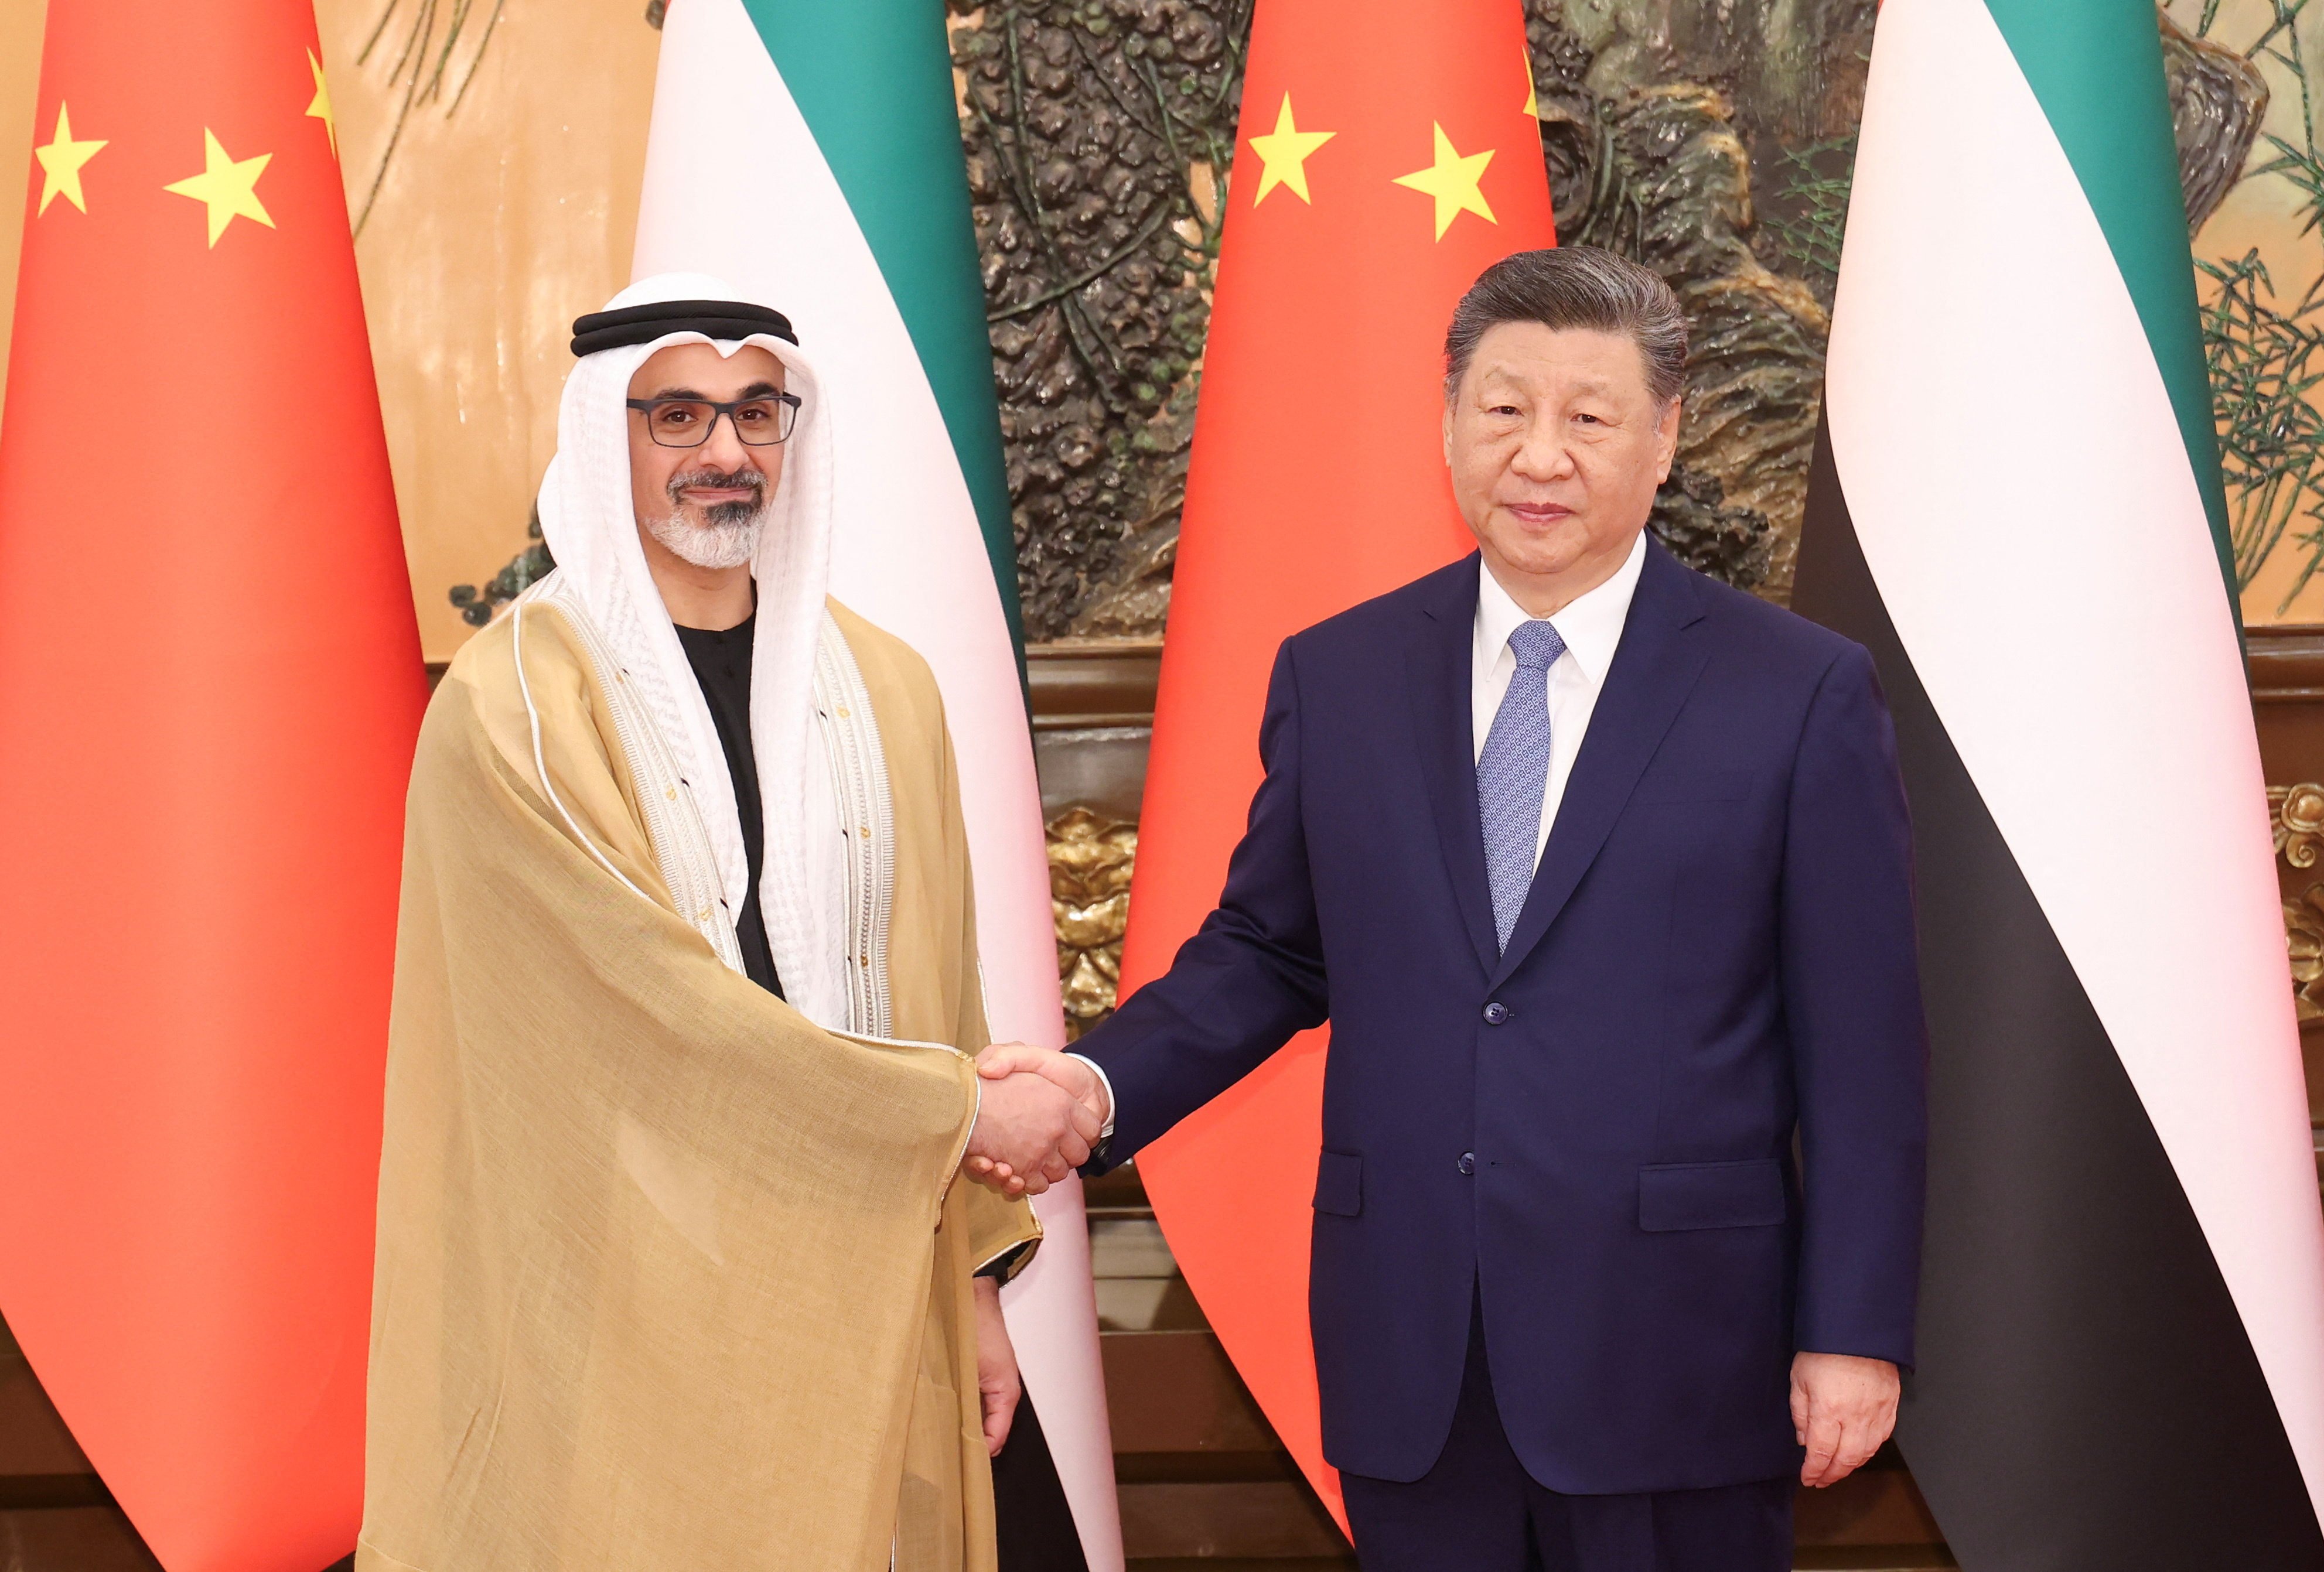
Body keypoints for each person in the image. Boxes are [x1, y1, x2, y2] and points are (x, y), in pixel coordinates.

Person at [977, 247, 1929, 1572]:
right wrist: (1090, 1087)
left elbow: (1864, 1050)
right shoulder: (1342, 673)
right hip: (1415, 1352)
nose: (1540, 454)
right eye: (1502, 409)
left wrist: (1853, 1330)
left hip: (1675, 1358)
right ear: (1446, 423)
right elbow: (1265, 952)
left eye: (1588, 418)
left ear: (1664, 438)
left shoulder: (1797, 692)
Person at [360, 276, 1098, 1572]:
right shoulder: (517, 705)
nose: (724, 454)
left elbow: (937, 997)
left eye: (758, 414)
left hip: (878, 1271)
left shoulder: (884, 687)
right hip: (637, 1298)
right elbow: (656, 1016)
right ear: (607, 438)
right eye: (678, 416)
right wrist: (958, 1113)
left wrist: (975, 1285)